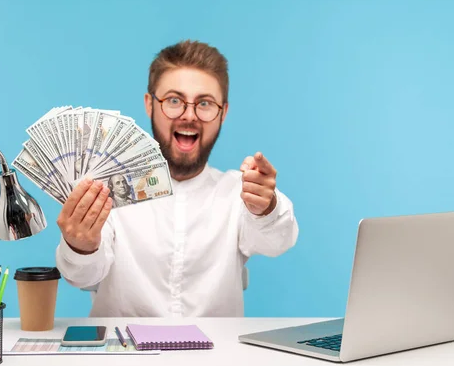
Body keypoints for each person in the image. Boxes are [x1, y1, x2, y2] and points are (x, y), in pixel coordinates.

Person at [55, 40, 299, 317]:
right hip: (124, 356)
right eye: (174, 100)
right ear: (150, 104)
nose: (189, 115)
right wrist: (81, 246)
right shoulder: (107, 191)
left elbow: (278, 240)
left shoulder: (236, 193)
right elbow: (81, 276)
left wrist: (266, 208)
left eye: (205, 103)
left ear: (223, 113)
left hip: (216, 356)